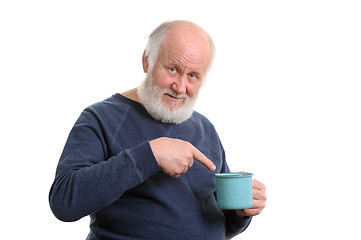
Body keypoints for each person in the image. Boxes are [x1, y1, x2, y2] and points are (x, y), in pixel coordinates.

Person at [49, 20, 267, 240]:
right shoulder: (100, 118)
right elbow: (63, 202)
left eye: (193, 75)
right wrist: (149, 155)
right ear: (146, 61)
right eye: (173, 69)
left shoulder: (205, 128)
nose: (180, 87)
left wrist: (240, 214)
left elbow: (218, 225)